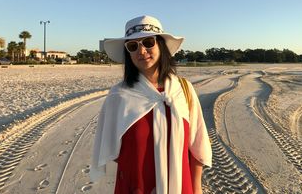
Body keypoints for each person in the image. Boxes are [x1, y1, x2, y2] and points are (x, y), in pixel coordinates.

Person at [91, 15, 212, 194]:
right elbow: (112, 149)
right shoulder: (119, 95)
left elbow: (198, 146)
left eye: (148, 42)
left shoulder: (183, 90)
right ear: (128, 53)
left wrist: (196, 188)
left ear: (160, 45)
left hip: (181, 186)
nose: (141, 51)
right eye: (133, 46)